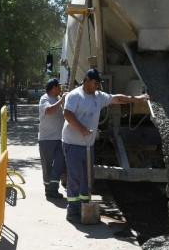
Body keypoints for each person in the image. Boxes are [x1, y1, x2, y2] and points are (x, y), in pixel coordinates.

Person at [62, 68, 149, 224]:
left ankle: (84, 205)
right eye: (95, 83)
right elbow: (67, 114)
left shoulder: (98, 97)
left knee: (88, 178)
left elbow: (117, 99)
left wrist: (136, 99)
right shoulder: (74, 96)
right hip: (73, 144)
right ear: (87, 80)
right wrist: (82, 128)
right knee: (75, 178)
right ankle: (72, 211)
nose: (97, 86)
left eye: (98, 84)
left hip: (88, 145)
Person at [38, 78, 66, 198]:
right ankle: (49, 189)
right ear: (53, 88)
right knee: (47, 166)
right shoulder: (45, 98)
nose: (60, 89)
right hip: (47, 139)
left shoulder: (59, 99)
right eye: (58, 86)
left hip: (60, 139)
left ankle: (53, 187)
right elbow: (48, 111)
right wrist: (61, 102)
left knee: (59, 163)